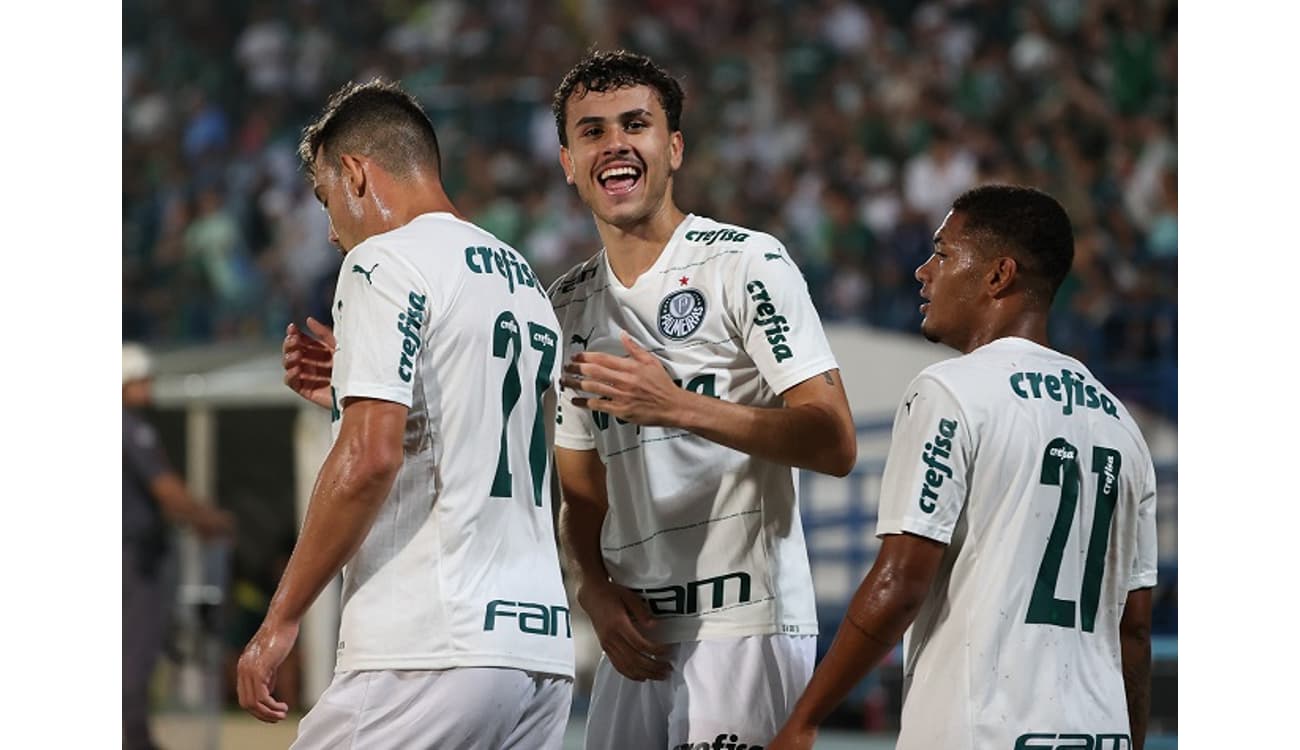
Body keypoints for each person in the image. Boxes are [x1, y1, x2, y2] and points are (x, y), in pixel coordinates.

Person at [237, 79, 574, 748]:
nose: (333, 233)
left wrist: (280, 619)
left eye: (326, 199)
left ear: (357, 173)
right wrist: (358, 381)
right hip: (537, 657)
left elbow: (369, 459)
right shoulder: (521, 278)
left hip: (425, 648)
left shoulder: (381, 262)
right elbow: (469, 420)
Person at [769, 185, 1157, 750]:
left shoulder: (950, 391)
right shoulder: (1122, 424)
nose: (924, 272)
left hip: (982, 732)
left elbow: (901, 581)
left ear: (999, 276)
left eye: (944, 253)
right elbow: (1135, 627)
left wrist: (803, 718)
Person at [548, 50, 858, 749]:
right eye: (592, 132)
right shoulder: (566, 303)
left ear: (674, 147)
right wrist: (592, 590)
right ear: (568, 162)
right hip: (637, 637)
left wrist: (678, 406)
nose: (616, 143)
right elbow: (581, 492)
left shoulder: (746, 262)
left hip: (744, 625)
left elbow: (834, 440)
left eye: (637, 124)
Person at [123, 342, 235, 750]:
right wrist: (211, 520)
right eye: (141, 379)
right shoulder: (132, 426)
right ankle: (135, 740)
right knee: (137, 648)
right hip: (136, 558)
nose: (148, 386)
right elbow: (167, 491)